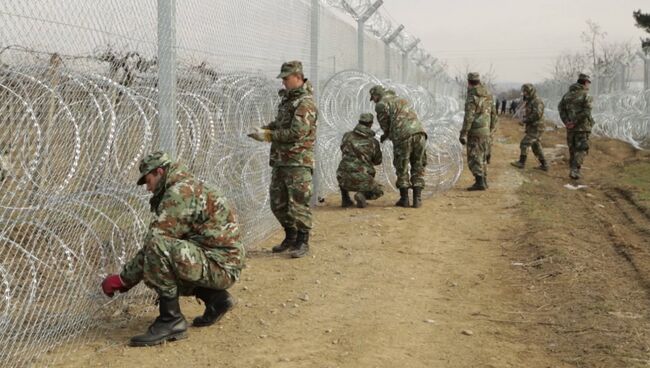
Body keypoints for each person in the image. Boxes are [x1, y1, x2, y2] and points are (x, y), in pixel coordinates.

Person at [101, 151, 245, 347]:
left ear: (160, 172)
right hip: (219, 263)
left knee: (158, 250)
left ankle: (171, 321)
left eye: (148, 180)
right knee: (167, 259)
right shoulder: (188, 186)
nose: (147, 188)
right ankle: (217, 299)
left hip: (219, 266)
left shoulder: (179, 193)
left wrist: (124, 279)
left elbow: (157, 242)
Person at [247, 60, 317, 257]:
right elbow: (280, 124)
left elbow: (297, 132)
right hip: (281, 161)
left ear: (297, 77)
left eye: (286, 79)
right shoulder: (288, 101)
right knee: (278, 203)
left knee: (298, 203)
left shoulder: (305, 103)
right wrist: (265, 129)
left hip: (298, 161)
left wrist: (269, 136)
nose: (283, 83)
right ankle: (290, 236)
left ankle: (302, 241)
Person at [369, 85, 427, 208]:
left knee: (402, 166)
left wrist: (385, 135)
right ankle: (417, 199)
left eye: (373, 97)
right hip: (420, 133)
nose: (373, 100)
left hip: (403, 136)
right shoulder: (401, 99)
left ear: (376, 95)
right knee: (418, 164)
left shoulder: (381, 104)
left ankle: (404, 199)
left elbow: (385, 124)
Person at [458, 72, 497, 191]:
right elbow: (494, 114)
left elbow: (469, 116)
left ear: (469, 82)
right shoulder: (488, 95)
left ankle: (480, 182)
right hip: (486, 130)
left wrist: (464, 133)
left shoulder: (472, 97)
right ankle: (483, 181)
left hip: (475, 131)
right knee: (483, 156)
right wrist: (491, 130)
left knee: (474, 156)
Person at [336, 113, 384, 208]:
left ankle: (345, 199)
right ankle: (362, 194)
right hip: (362, 178)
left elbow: (343, 149)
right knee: (379, 190)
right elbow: (377, 161)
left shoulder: (347, 136)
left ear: (359, 122)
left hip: (342, 178)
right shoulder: (373, 142)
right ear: (370, 124)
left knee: (345, 167)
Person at [558, 73, 595, 179]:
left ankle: (573, 170)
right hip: (582, 127)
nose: (589, 85)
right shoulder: (586, 95)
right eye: (588, 83)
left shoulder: (567, 95)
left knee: (573, 149)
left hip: (570, 128)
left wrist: (567, 122)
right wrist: (574, 121)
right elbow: (587, 111)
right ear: (585, 82)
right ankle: (575, 170)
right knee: (582, 149)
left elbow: (561, 109)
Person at [511, 83, 549, 171]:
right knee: (536, 146)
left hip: (537, 127)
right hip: (533, 127)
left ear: (530, 91)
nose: (524, 93)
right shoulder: (530, 101)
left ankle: (521, 162)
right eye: (523, 91)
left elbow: (537, 115)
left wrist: (525, 120)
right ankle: (544, 164)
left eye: (526, 92)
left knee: (524, 143)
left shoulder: (537, 101)